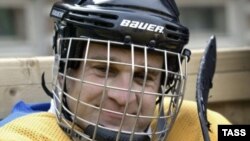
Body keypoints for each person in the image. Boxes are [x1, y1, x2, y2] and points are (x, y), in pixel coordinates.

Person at [0, 0, 231, 141]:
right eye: (104, 70)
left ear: (164, 84)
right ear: (65, 70)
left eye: (143, 77)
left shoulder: (199, 124)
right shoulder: (22, 136)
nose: (123, 97)